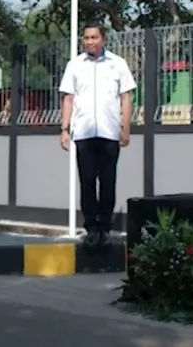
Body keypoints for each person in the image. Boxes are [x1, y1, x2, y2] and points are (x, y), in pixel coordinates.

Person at [58, 22, 136, 245]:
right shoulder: (75, 65)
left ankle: (105, 227)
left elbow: (126, 97)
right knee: (87, 181)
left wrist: (126, 127)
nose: (89, 42)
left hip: (109, 132)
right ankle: (91, 227)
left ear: (104, 39)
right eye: (86, 38)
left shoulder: (117, 64)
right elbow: (68, 98)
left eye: (94, 37)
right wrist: (64, 129)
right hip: (83, 133)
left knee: (108, 181)